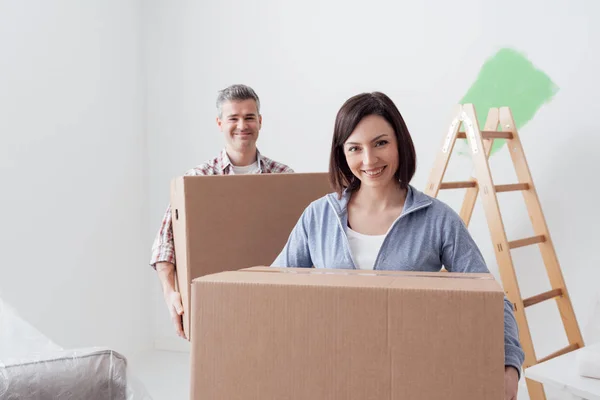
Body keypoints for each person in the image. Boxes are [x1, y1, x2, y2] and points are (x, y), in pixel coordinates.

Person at [272, 91, 524, 399]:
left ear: (399, 143)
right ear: (342, 154)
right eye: (355, 148)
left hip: (412, 378)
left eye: (380, 143)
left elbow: (492, 298)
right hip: (333, 378)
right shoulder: (318, 216)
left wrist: (509, 366)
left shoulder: (437, 219)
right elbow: (273, 289)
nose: (369, 160)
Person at [151, 84, 293, 338]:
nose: (242, 125)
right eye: (233, 118)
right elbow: (164, 241)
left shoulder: (284, 178)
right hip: (214, 303)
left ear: (260, 121)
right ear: (219, 123)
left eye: (249, 117)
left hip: (271, 301)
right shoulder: (196, 180)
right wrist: (169, 291)